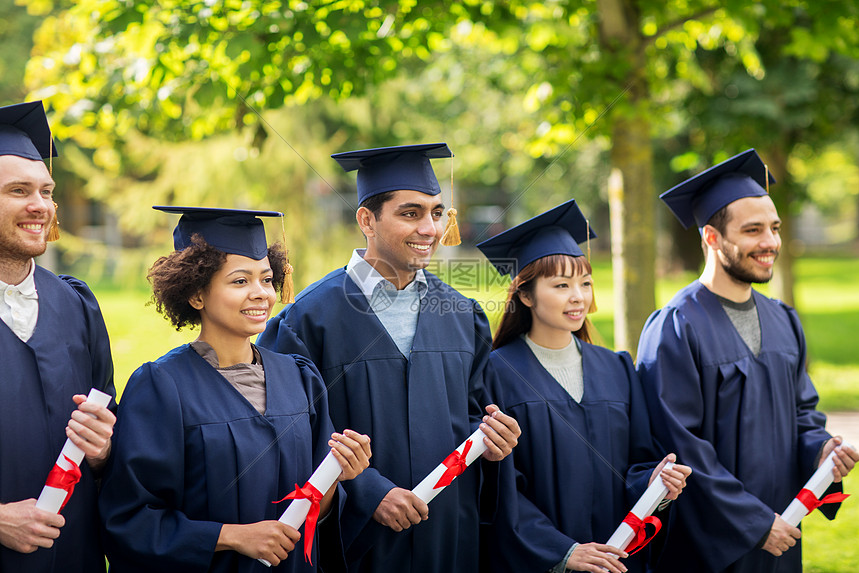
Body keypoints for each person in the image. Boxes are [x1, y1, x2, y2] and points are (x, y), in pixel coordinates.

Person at [258, 143, 521, 573]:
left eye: (437, 213)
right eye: (410, 213)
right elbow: (290, 435)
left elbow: (472, 412)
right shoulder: (308, 319)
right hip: (357, 541)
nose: (430, 228)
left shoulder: (461, 313)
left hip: (446, 538)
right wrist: (367, 491)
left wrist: (490, 439)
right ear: (367, 219)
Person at [99, 206, 372, 573]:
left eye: (266, 279)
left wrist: (339, 476)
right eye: (240, 281)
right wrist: (229, 536)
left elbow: (316, 509)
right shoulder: (162, 387)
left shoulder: (300, 378)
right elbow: (130, 517)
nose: (261, 294)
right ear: (196, 294)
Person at [636, 149, 858, 573]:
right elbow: (681, 449)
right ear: (713, 238)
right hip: (709, 549)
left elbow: (802, 416)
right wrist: (756, 525)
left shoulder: (783, 319)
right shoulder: (676, 327)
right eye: (753, 230)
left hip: (782, 533)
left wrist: (821, 451)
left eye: (774, 228)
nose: (770, 242)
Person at [476, 199, 691, 573]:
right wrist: (563, 551)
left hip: (617, 558)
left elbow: (638, 460)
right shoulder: (496, 373)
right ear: (525, 296)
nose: (578, 296)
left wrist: (655, 483)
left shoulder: (617, 367)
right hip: (540, 559)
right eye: (561, 285)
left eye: (585, 283)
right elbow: (500, 487)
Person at [0, 100, 116, 572]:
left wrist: (105, 447)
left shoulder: (77, 305)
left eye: (46, 191)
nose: (40, 206)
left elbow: (110, 435)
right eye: (18, 190)